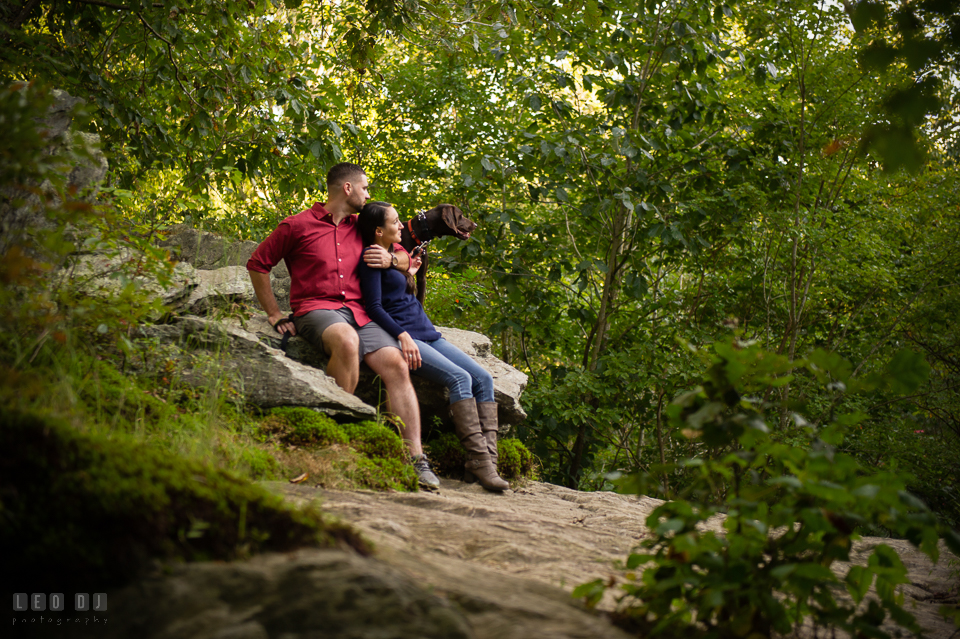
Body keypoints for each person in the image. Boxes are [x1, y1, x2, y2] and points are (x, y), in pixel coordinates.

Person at [246, 163, 439, 488]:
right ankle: (330, 440)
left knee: (396, 363)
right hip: (317, 310)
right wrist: (274, 313)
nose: (368, 194)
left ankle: (416, 459)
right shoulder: (296, 226)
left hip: (361, 312)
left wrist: (394, 260)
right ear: (347, 188)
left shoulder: (362, 227)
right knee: (347, 342)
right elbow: (258, 263)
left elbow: (405, 254)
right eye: (364, 188)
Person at [357, 201, 509, 493]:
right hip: (409, 336)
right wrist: (401, 335)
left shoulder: (394, 255)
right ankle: (479, 463)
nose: (402, 226)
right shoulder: (372, 258)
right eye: (395, 222)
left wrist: (409, 273)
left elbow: (395, 289)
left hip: (428, 332)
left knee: (484, 379)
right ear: (378, 230)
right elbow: (374, 307)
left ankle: (487, 463)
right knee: (460, 379)